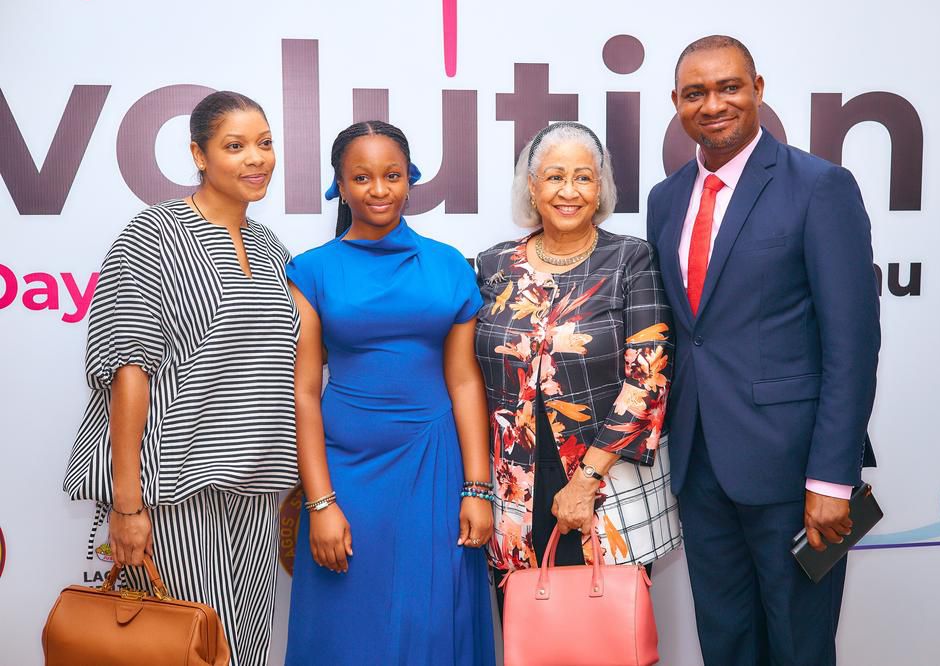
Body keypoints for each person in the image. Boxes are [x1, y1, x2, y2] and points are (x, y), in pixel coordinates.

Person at [647, 35, 881, 665]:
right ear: (676, 102)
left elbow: (852, 344)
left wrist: (831, 476)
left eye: (729, 87)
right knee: (724, 643)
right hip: (699, 468)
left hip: (794, 474)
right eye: (695, 93)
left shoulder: (820, 186)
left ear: (757, 89)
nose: (713, 104)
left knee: (799, 647)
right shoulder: (666, 199)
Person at [63, 91, 298, 666]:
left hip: (253, 489)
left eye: (265, 143)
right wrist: (127, 504)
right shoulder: (154, 235)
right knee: (185, 648)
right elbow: (128, 370)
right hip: (172, 491)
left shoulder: (272, 249)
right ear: (199, 155)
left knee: (241, 651)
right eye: (235, 146)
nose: (256, 158)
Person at [284, 120, 495, 665]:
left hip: (435, 467)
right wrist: (320, 501)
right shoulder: (311, 270)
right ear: (339, 186)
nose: (378, 190)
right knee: (347, 632)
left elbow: (465, 379)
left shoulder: (449, 264)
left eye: (392, 175)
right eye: (361, 177)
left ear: (411, 178)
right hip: (345, 474)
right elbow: (303, 392)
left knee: (431, 623)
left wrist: (477, 487)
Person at [475, 122, 681, 605]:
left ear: (600, 187)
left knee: (607, 632)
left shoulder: (631, 259)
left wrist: (585, 482)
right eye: (554, 177)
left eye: (583, 177)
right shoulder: (493, 265)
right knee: (528, 628)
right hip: (515, 487)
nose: (568, 191)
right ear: (532, 187)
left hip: (607, 481)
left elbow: (648, 379)